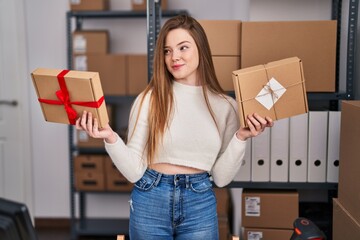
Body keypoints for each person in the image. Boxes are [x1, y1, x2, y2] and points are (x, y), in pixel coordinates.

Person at [76, 15, 273, 240]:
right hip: (150, 198)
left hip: (199, 202)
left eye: (183, 48)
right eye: (167, 51)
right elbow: (133, 171)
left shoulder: (226, 106)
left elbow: (220, 178)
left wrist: (240, 138)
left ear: (201, 48)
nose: (174, 57)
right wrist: (110, 138)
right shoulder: (149, 99)